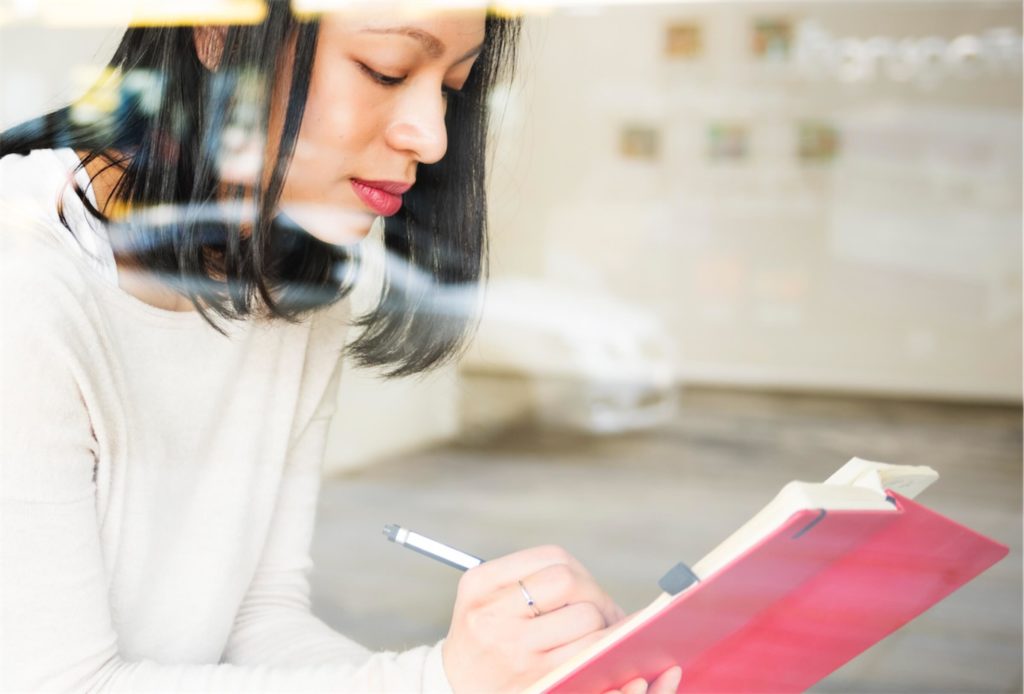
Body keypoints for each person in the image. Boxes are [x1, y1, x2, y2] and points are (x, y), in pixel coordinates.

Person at [0, 3, 682, 693]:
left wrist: (506, 678)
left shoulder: (297, 278)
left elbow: (253, 625)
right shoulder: (23, 277)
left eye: (450, 88)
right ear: (213, 29)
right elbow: (58, 683)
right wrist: (439, 681)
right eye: (385, 71)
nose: (433, 137)